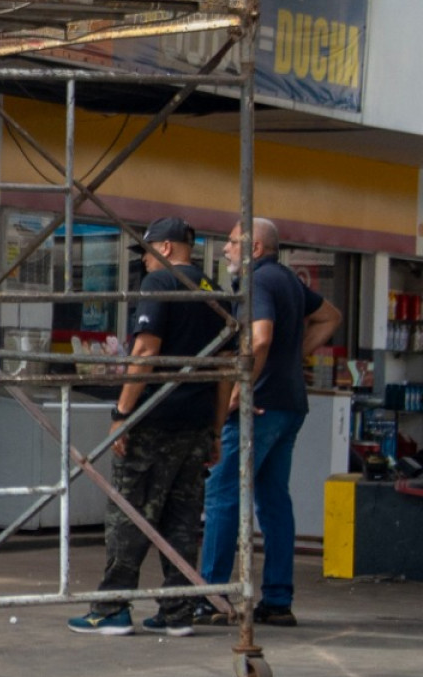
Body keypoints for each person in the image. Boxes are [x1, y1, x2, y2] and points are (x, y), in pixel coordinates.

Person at [68, 218, 228, 636]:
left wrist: (123, 414)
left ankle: (112, 607)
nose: (144, 262)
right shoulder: (215, 292)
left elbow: (145, 350)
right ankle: (177, 610)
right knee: (182, 518)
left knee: (129, 512)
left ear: (167, 247)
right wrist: (216, 430)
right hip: (195, 424)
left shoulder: (161, 283)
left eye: (147, 252)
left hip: (153, 421)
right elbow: (225, 369)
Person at [196, 218, 340, 626]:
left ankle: (212, 596)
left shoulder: (256, 282)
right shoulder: (289, 280)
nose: (226, 249)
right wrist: (291, 357)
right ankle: (277, 599)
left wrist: (240, 392)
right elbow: (331, 316)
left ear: (255, 248)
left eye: (231, 242)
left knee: (222, 494)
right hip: (290, 404)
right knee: (274, 500)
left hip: (260, 407)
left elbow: (260, 338)